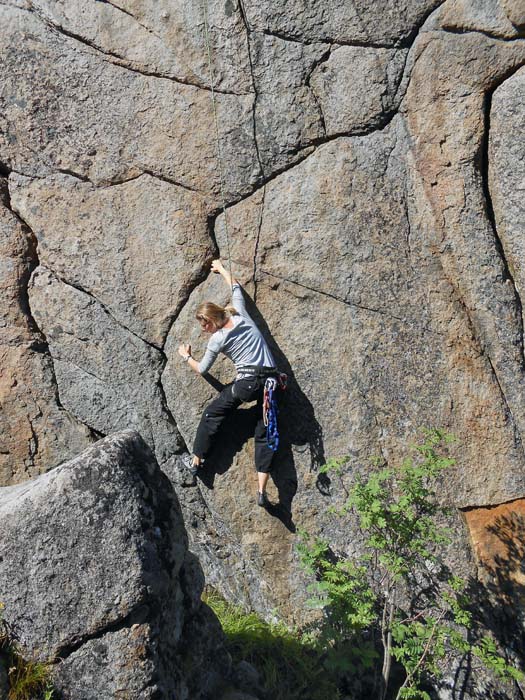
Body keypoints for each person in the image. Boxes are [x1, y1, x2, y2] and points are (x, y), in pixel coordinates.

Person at [178, 259, 280, 506]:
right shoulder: (240, 313)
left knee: (212, 414)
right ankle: (261, 491)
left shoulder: (218, 339)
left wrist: (187, 357)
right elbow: (236, 288)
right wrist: (222, 268)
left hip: (247, 384)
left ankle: (195, 462)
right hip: (272, 383)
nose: (205, 331)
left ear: (211, 321)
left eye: (205, 327)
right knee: (265, 430)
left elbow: (202, 369)